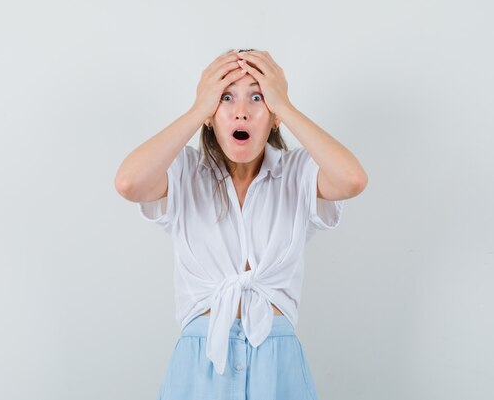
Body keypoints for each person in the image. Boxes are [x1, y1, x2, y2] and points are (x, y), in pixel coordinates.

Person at [115, 48, 368, 400]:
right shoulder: (185, 171)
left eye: (258, 97)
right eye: (226, 97)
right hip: (199, 366)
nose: (241, 111)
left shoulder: (297, 172)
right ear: (210, 111)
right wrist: (195, 110)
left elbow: (352, 179)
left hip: (278, 366)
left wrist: (288, 107)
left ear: (274, 113)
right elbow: (129, 183)